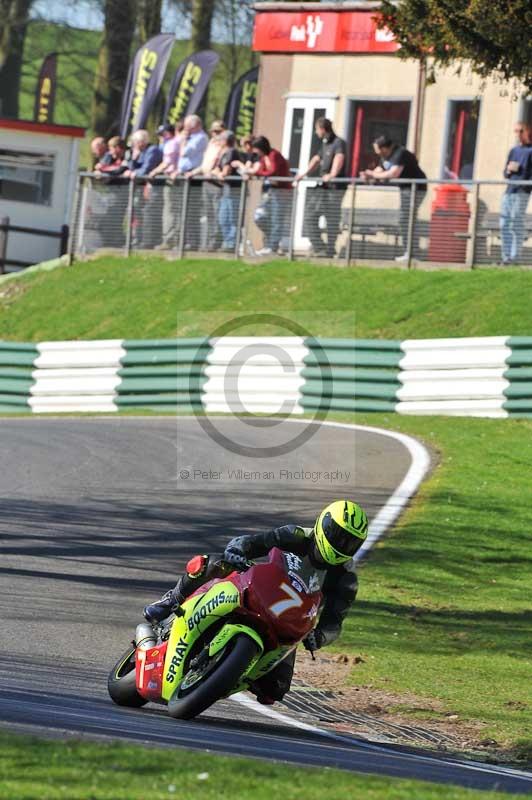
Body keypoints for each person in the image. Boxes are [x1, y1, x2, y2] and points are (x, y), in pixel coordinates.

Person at [143, 500, 368, 705]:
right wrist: (237, 551)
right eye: (337, 535)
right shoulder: (294, 535)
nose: (342, 544)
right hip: (255, 590)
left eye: (350, 542)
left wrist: (318, 637)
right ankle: (171, 599)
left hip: (288, 622)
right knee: (213, 564)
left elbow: (334, 624)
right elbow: (251, 543)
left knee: (275, 691)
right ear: (323, 524)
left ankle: (226, 674)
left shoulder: (345, 579)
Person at [361, 136, 427, 263]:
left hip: (416, 188)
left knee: (407, 218)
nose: (376, 153)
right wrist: (369, 175)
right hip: (405, 189)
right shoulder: (385, 156)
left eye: (378, 150)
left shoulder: (400, 153)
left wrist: (374, 175)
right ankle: (409, 252)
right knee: (405, 218)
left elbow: (393, 173)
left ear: (385, 148)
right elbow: (380, 170)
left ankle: (413, 253)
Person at [296, 118, 346, 258]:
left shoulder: (338, 143)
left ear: (323, 129)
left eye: (317, 129)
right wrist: (303, 174)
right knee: (310, 216)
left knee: (331, 218)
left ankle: (330, 249)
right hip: (322, 187)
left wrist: (333, 174)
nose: (316, 132)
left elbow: (339, 158)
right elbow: (316, 159)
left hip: (334, 188)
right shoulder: (324, 144)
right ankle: (319, 246)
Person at [167, 114, 209, 250]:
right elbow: (174, 145)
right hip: (182, 174)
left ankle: (192, 241)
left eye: (187, 125)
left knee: (191, 211)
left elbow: (185, 152)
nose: (185, 128)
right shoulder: (189, 137)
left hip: (192, 176)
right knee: (181, 210)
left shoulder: (201, 138)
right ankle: (182, 240)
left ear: (194, 125)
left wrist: (184, 140)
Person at [246, 135, 291, 256]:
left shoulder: (274, 155)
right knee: (259, 216)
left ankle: (273, 246)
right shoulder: (263, 158)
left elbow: (272, 171)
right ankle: (271, 240)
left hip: (281, 191)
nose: (255, 152)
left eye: (256, 148)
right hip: (269, 191)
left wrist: (257, 172)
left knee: (277, 219)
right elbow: (262, 171)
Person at [186, 120, 225, 251]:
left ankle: (216, 242)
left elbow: (221, 164)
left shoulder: (224, 145)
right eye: (213, 131)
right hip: (206, 181)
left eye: (218, 131)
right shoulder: (211, 144)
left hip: (216, 183)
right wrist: (193, 172)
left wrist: (213, 172)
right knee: (209, 213)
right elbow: (205, 165)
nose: (215, 134)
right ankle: (209, 242)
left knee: (217, 212)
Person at [123, 130, 162, 248]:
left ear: (141, 141)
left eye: (135, 142)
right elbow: (131, 168)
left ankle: (148, 241)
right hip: (141, 187)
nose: (134, 145)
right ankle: (137, 238)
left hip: (154, 186)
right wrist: (133, 159)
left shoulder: (152, 150)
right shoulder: (139, 152)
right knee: (137, 212)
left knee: (149, 213)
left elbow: (146, 169)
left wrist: (134, 173)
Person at [499, 122, 532, 265]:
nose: (518, 134)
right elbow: (505, 174)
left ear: (527, 132)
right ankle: (505, 258)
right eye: (516, 131)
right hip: (509, 191)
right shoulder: (514, 150)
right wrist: (508, 170)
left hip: (522, 191)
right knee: (504, 223)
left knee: (515, 223)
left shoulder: (530, 151)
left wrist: (524, 176)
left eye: (520, 131)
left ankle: (514, 257)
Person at [149, 123, 183, 251]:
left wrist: (154, 172)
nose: (160, 138)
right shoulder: (175, 143)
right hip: (173, 178)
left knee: (170, 211)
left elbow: (167, 163)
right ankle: (173, 239)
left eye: (161, 135)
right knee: (173, 210)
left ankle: (169, 240)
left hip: (172, 180)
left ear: (167, 134)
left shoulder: (171, 144)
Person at [212, 130, 241, 250]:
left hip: (233, 190)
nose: (219, 142)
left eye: (221, 139)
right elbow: (214, 170)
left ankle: (231, 244)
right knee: (223, 218)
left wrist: (219, 174)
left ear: (226, 140)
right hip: (225, 191)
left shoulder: (232, 152)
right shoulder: (222, 153)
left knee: (232, 218)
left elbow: (225, 172)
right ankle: (227, 241)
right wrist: (218, 174)